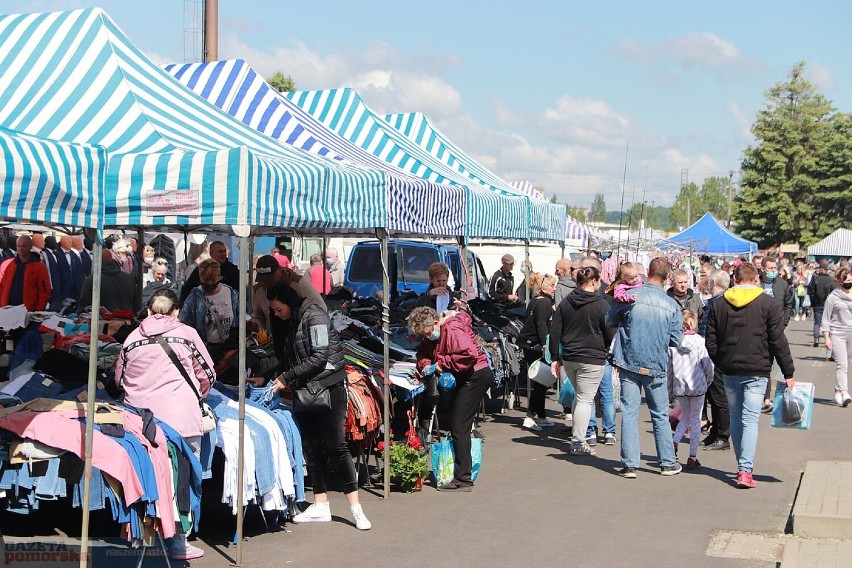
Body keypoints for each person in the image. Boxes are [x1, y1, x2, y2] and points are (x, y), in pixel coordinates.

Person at [113, 288, 213, 559]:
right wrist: (194, 396)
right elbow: (208, 374)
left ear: (148, 311)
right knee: (183, 479)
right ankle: (178, 544)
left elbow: (119, 379)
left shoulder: (132, 338)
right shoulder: (187, 334)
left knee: (148, 480)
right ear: (176, 311)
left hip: (139, 422)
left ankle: (147, 540)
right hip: (180, 420)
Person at [261, 284, 371, 529]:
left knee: (336, 445)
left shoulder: (315, 316)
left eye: (278, 310)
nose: (276, 314)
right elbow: (292, 358)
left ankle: (356, 507)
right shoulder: (293, 321)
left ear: (289, 302)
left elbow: (319, 356)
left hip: (330, 388)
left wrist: (284, 378)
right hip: (306, 390)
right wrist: (271, 375)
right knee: (311, 447)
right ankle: (321, 504)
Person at [705, 262, 795, 489]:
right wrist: (788, 371)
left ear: (735, 279)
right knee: (750, 418)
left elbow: (711, 341)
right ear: (756, 280)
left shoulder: (719, 303)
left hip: (729, 370)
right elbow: (777, 341)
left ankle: (741, 467)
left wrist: (722, 362)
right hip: (757, 369)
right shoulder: (768, 303)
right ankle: (745, 470)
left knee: (736, 417)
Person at [607, 258, 683, 478]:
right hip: (655, 363)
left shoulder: (630, 297)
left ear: (647, 271)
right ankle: (667, 462)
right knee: (659, 414)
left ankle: (630, 464)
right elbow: (676, 340)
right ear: (667, 277)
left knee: (630, 412)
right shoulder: (671, 305)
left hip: (630, 359)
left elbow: (610, 320)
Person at [409, 305, 493, 491]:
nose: (428, 336)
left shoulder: (451, 328)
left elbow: (469, 354)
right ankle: (461, 473)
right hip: (466, 376)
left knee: (459, 426)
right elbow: (422, 352)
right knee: (458, 424)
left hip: (476, 376)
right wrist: (425, 364)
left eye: (428, 332)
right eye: (424, 334)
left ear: (436, 322)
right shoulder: (435, 333)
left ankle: (463, 479)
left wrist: (442, 364)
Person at [550, 266, 615, 456]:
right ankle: (578, 441)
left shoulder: (566, 303)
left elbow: (555, 331)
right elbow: (610, 332)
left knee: (581, 397)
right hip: (592, 357)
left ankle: (578, 438)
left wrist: (555, 357)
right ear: (594, 281)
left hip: (570, 356)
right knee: (585, 399)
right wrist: (608, 350)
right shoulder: (601, 304)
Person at [668, 309, 713, 469]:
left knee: (685, 417)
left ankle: (674, 443)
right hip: (697, 385)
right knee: (695, 420)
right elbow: (707, 364)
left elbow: (669, 368)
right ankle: (692, 456)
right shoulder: (700, 342)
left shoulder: (674, 342)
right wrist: (708, 381)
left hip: (680, 385)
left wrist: (670, 389)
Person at [698, 269, 733, 451]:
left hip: (717, 357)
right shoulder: (714, 302)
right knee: (712, 396)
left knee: (720, 398)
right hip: (709, 355)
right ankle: (715, 431)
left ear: (713, 283)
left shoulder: (721, 303)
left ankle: (723, 435)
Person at [517, 273, 556, 431]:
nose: (554, 288)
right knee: (541, 381)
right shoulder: (544, 303)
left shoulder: (535, 301)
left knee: (542, 380)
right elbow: (541, 325)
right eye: (552, 285)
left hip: (529, 344)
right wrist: (545, 344)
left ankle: (541, 415)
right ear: (542, 287)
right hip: (536, 346)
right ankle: (530, 416)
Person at [179, 259, 239, 359]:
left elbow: (238, 321)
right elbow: (184, 323)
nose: (210, 286)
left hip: (228, 351)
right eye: (206, 283)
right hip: (204, 351)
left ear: (220, 277)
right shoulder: (194, 297)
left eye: (213, 283)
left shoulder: (231, 293)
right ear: (200, 279)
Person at [250, 255, 325, 334]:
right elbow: (258, 316)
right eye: (264, 280)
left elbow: (321, 309)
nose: (268, 283)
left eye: (270, 278)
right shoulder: (259, 290)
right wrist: (256, 325)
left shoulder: (299, 283)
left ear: (280, 270)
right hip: (273, 340)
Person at [758, 256, 795, 412]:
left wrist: (784, 322)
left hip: (775, 330)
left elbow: (788, 305)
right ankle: (765, 398)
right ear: (763, 269)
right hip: (758, 330)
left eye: (775, 268)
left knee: (771, 363)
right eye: (770, 268)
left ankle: (766, 398)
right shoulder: (756, 283)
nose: (773, 271)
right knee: (763, 364)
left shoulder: (782, 284)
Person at [821, 268, 852, 407]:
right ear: (839, 281)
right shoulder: (833, 297)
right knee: (842, 364)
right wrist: (826, 337)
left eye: (851, 280)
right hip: (837, 333)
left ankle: (838, 391)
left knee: (846, 363)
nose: (849, 283)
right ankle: (844, 392)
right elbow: (826, 319)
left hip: (851, 333)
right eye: (847, 281)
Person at [0, 235, 51, 311]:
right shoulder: (7, 264)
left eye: (23, 246)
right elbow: (1, 286)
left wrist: (39, 310)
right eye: (18, 246)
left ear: (30, 247)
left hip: (29, 311)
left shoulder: (39, 267)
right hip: (7, 310)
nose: (20, 249)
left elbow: (44, 291)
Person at [79, 248, 138, 313]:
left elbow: (83, 306)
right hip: (126, 320)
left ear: (97, 261)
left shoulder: (92, 280)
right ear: (112, 259)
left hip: (101, 321)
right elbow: (135, 303)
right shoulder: (128, 278)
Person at [808, 259, 836, 348]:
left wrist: (812, 303)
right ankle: (828, 340)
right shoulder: (831, 280)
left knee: (817, 323)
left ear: (820, 268)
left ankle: (816, 338)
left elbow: (811, 291)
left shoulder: (816, 278)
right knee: (828, 323)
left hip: (817, 304)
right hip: (828, 305)